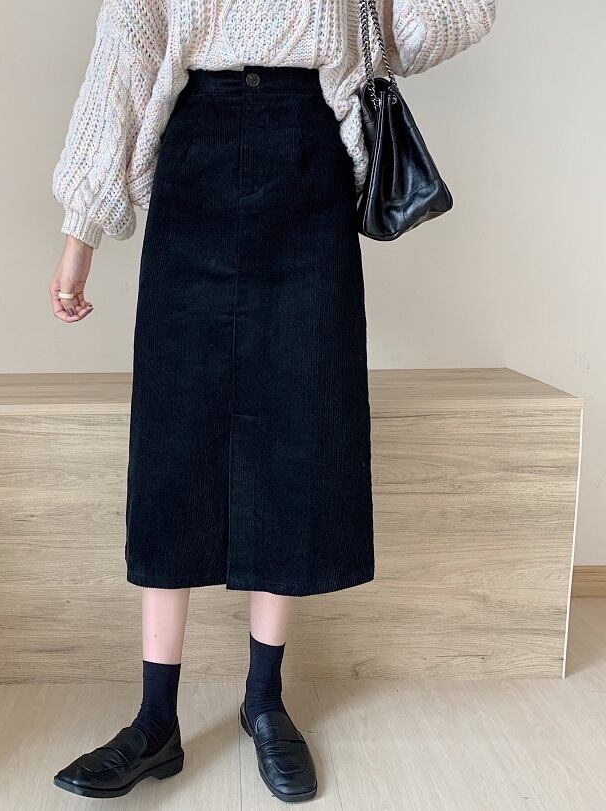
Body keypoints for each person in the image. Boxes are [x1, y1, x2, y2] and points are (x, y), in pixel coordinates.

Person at [48, 0, 496, 802]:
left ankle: (264, 699)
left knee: (297, 427)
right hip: (194, 153)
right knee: (174, 436)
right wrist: (79, 234)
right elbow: (124, 55)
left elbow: (435, 26)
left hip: (308, 157)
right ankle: (155, 720)